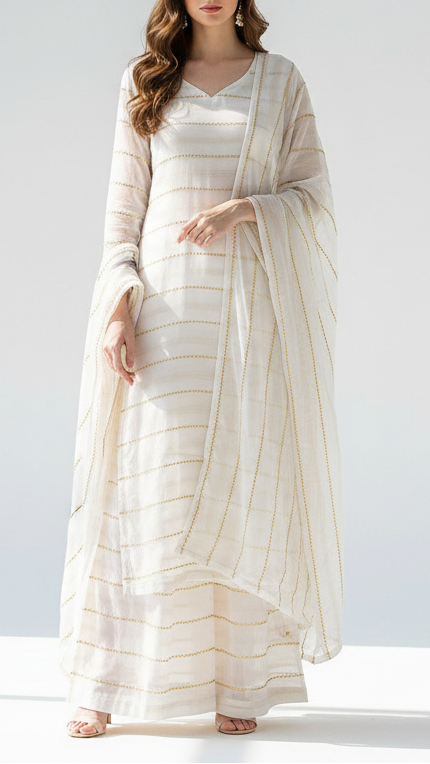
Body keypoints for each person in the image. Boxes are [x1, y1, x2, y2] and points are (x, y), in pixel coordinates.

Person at [60, 0, 344, 738]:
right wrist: (118, 306)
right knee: (143, 492)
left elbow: (312, 198)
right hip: (165, 318)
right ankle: (104, 683)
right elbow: (123, 214)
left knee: (238, 488)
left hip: (247, 324)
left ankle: (236, 677)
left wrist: (243, 209)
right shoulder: (146, 80)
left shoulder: (280, 82)